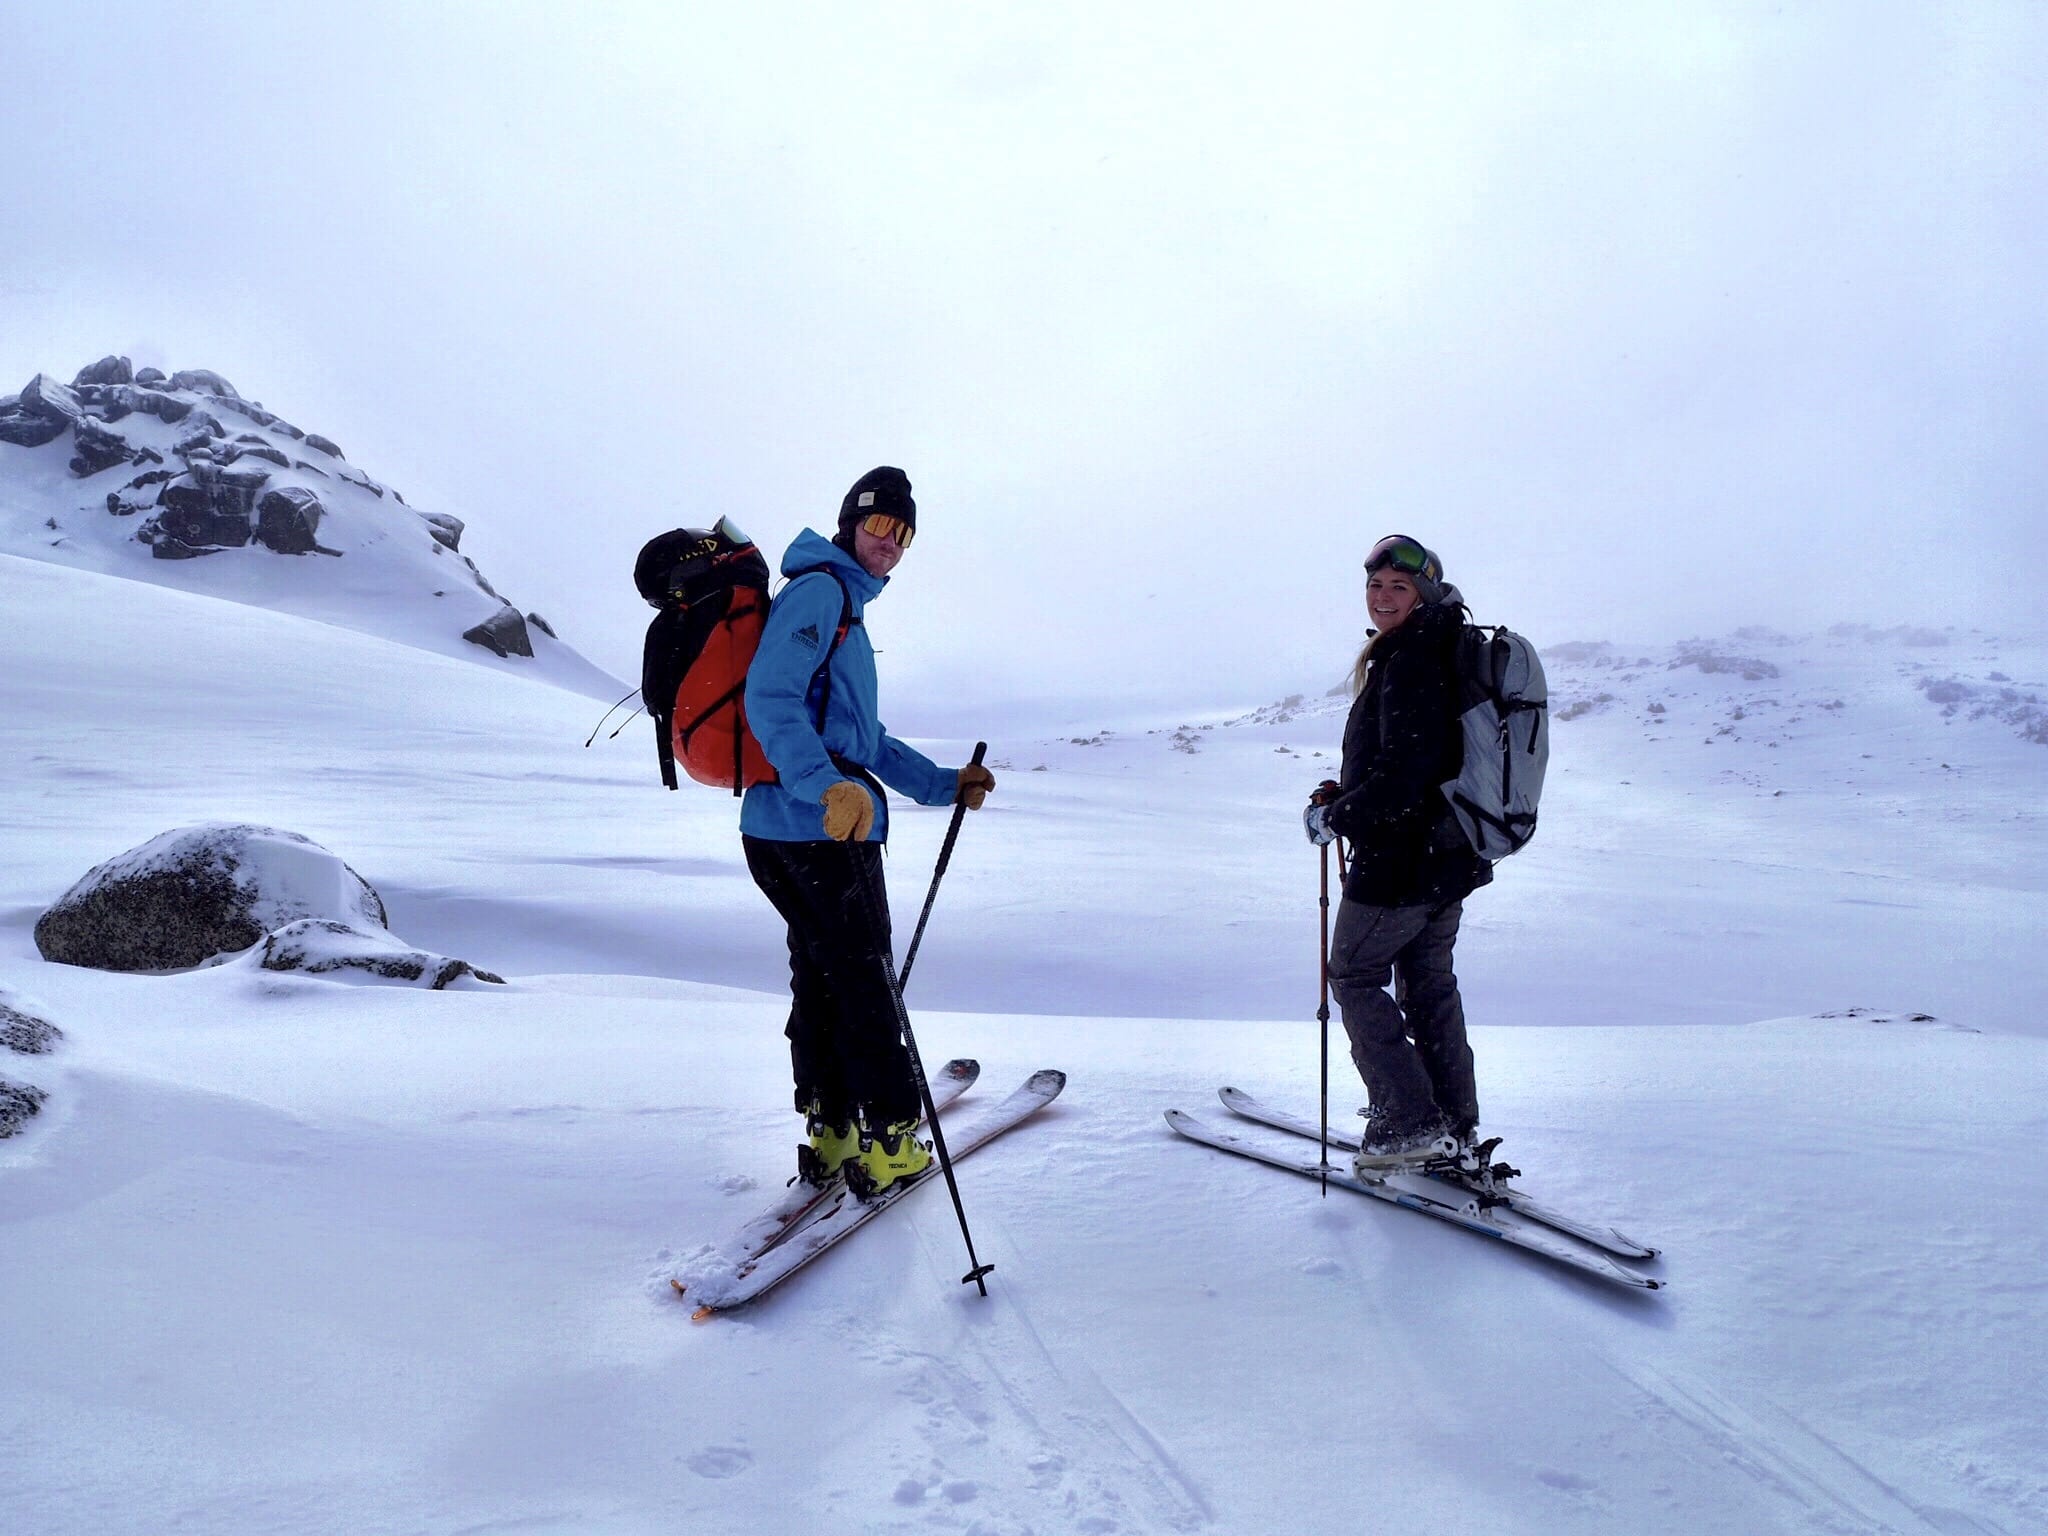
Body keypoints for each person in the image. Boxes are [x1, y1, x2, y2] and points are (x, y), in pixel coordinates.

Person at [741, 466, 997, 1197]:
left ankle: (830, 1132)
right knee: (863, 982)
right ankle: (888, 1139)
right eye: (881, 525)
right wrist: (827, 790)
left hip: (791, 827)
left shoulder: (842, 604)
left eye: (904, 533)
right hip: (819, 830)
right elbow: (771, 698)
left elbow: (865, 740)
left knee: (822, 977)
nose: (890, 543)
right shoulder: (822, 591)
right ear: (852, 522)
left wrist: (943, 785)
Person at [1303, 533, 1491, 1172]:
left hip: (1403, 865)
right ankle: (1451, 1123)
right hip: (1448, 857)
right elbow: (1415, 762)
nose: (1383, 597)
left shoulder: (1412, 658)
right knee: (1429, 983)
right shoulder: (1437, 650)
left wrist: (1338, 816)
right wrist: (1345, 791)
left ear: (1424, 593)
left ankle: (1409, 1123)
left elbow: (1406, 775)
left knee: (1354, 974)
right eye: (1376, 585)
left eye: (1399, 587)